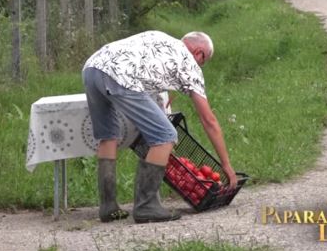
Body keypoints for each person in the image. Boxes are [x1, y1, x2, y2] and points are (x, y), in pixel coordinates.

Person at [82, 30, 237, 224]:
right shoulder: (188, 62)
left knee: (108, 136)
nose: (199, 66)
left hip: (92, 67)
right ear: (199, 53)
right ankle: (146, 206)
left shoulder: (159, 38)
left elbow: (145, 77)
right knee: (165, 135)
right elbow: (209, 120)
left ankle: (108, 207)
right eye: (202, 62)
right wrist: (226, 165)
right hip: (120, 75)